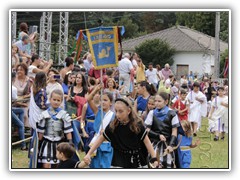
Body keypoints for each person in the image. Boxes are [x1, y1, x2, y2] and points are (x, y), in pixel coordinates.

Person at [83, 97, 159, 168]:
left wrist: (154, 158)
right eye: (116, 111)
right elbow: (100, 139)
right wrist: (89, 154)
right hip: (118, 161)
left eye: (121, 111)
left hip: (136, 160)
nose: (117, 114)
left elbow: (147, 142)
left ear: (128, 111)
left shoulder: (137, 125)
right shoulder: (113, 125)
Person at [36, 89, 73, 168]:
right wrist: (38, 143)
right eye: (54, 99)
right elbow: (41, 131)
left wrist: (70, 142)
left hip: (59, 143)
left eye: (58, 100)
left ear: (61, 101)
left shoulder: (64, 114)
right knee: (46, 164)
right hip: (46, 142)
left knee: (58, 164)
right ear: (50, 99)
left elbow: (68, 130)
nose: (56, 102)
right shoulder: (44, 114)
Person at [145, 92, 180, 168]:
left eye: (159, 101)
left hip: (167, 145)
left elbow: (174, 131)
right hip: (154, 144)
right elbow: (147, 129)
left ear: (166, 101)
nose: (157, 103)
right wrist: (158, 135)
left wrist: (171, 145)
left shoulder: (172, 114)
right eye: (156, 101)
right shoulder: (152, 113)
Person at [86, 84, 115, 168]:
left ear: (111, 103)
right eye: (101, 100)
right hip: (95, 143)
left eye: (105, 100)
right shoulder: (97, 111)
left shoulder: (113, 116)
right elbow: (88, 99)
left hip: (106, 145)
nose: (103, 102)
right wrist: (96, 89)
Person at [12, 71, 27, 151]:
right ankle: (23, 145)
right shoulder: (13, 88)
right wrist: (23, 104)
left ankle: (19, 128)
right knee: (21, 125)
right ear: (14, 79)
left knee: (21, 111)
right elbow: (15, 101)